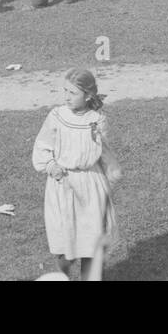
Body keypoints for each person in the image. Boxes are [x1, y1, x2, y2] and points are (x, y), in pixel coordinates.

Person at [33, 69, 121, 280]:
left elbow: (103, 150)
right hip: (62, 184)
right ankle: (61, 276)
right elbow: (42, 145)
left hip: (90, 184)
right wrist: (51, 165)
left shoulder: (97, 119)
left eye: (72, 93)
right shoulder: (57, 116)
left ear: (88, 96)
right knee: (65, 243)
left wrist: (112, 172)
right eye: (65, 91)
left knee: (92, 243)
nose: (66, 97)